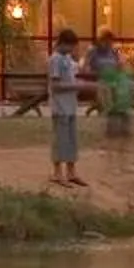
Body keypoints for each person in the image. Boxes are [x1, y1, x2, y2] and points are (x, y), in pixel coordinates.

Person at [48, 28, 89, 187]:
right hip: (60, 107)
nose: (72, 50)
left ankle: (71, 171)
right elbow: (55, 85)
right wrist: (75, 86)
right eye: (71, 46)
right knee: (60, 139)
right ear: (64, 43)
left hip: (70, 105)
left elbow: (74, 76)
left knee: (71, 139)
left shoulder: (68, 59)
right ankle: (57, 173)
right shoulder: (55, 60)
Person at [90, 31, 134, 150]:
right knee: (110, 112)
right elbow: (89, 68)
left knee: (122, 112)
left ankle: (123, 140)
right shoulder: (94, 53)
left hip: (116, 84)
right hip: (103, 84)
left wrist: (120, 66)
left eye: (110, 42)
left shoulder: (114, 52)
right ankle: (108, 141)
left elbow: (122, 64)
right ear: (101, 41)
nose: (108, 44)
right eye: (106, 41)